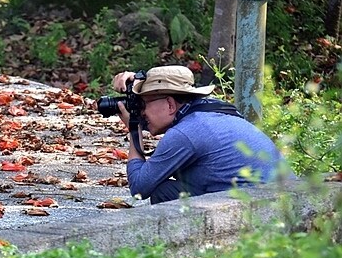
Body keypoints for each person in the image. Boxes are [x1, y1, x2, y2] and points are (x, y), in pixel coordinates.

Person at [111, 65, 292, 204]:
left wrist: (134, 130)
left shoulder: (185, 133)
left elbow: (139, 188)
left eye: (144, 104)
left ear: (170, 105)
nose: (141, 112)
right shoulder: (213, 112)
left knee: (163, 191)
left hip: (259, 213)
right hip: (287, 202)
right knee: (169, 189)